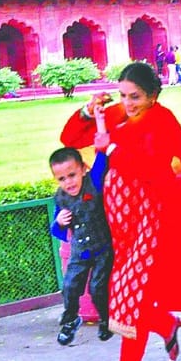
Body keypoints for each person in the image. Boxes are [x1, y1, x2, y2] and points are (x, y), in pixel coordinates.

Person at [60, 62, 181, 361]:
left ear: (153, 96)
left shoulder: (162, 120)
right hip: (117, 225)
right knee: (125, 295)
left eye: (135, 97)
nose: (128, 103)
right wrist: (88, 111)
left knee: (129, 296)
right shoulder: (117, 115)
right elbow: (70, 140)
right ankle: (164, 326)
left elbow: (152, 166)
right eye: (123, 95)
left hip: (151, 220)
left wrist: (110, 148)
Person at [49, 147, 114, 346]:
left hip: (103, 248)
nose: (68, 182)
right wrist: (59, 222)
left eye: (72, 175)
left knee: (97, 288)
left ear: (83, 169)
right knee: (70, 286)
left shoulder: (93, 183)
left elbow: (102, 162)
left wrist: (102, 141)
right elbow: (57, 230)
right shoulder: (61, 198)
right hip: (80, 251)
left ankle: (106, 320)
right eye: (62, 179)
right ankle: (70, 320)